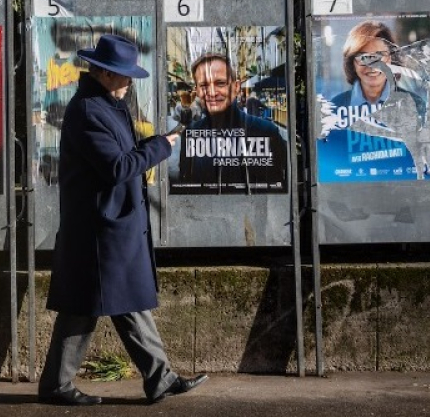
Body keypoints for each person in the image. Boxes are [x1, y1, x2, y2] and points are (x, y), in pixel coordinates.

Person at [39, 34, 207, 406]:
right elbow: (117, 166)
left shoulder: (104, 105)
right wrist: (160, 145)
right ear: (104, 73)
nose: (130, 81)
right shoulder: (88, 111)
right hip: (98, 229)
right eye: (124, 75)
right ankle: (56, 386)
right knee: (85, 307)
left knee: (123, 301)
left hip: (109, 225)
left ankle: (158, 378)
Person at [176, 52, 287, 190]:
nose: (211, 92)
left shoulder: (265, 131)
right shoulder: (190, 134)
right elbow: (185, 186)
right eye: (204, 85)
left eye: (220, 83)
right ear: (197, 91)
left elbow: (278, 189)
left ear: (236, 87)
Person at [331, 20, 426, 117]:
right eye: (363, 57)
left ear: (390, 58)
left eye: (379, 56)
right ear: (352, 62)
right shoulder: (334, 109)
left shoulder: (415, 105)